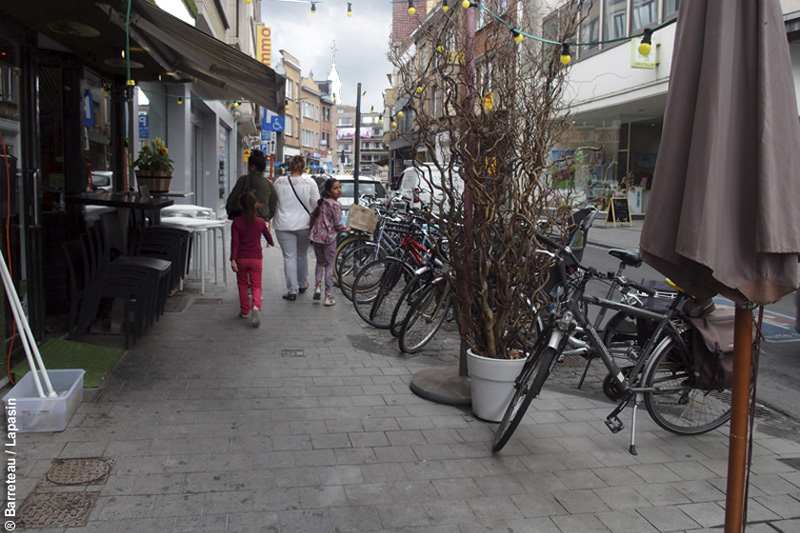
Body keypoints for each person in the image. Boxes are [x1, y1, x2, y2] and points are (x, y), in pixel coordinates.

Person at [272, 155, 320, 301]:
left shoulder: (279, 182)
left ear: (289, 167)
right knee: (302, 254)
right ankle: (302, 283)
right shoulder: (310, 182)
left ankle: (291, 290)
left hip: (283, 224)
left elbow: (274, 201)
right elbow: (316, 203)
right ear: (303, 167)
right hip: (304, 224)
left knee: (289, 257)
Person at [230, 191, 274, 327]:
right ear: (256, 205)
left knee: (242, 284)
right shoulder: (260, 222)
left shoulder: (236, 223)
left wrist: (233, 259)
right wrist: (271, 242)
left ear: (240, 206)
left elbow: (235, 243)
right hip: (256, 259)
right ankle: (256, 306)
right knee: (256, 285)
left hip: (241, 259)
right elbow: (267, 235)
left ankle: (244, 311)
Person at [309, 178, 349, 306]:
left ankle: (317, 287)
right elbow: (338, 225)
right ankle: (328, 296)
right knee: (329, 266)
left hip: (317, 236)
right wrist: (349, 230)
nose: (339, 190)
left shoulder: (323, 202)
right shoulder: (335, 205)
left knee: (320, 263)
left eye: (340, 187)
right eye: (335, 188)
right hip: (329, 238)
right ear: (328, 191)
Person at [226, 150, 277, 222]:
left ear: (252, 167)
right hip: (261, 220)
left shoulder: (243, 180)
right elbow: (272, 205)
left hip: (243, 219)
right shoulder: (269, 184)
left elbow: (232, 200)